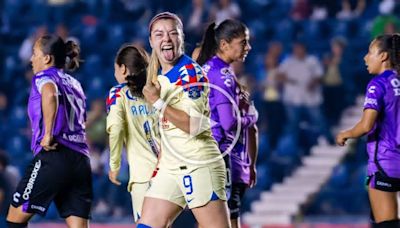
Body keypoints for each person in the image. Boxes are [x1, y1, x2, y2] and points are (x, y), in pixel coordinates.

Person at [137, 12, 230, 228]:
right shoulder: (161, 75)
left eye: (172, 33)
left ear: (181, 38)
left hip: (197, 164)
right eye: (159, 34)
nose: (166, 39)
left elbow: (194, 125)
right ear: (151, 41)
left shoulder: (190, 74)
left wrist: (158, 102)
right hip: (171, 166)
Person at [6, 34, 92, 228]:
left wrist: (47, 134)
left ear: (47, 58)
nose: (30, 59)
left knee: (14, 217)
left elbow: (50, 92)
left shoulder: (44, 77)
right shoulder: (75, 84)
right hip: (81, 159)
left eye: (34, 53)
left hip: (55, 155)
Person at [196, 19, 258, 228]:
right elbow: (229, 123)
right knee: (228, 218)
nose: (248, 47)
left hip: (203, 149)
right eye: (243, 42)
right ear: (224, 44)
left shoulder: (206, 68)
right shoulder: (223, 76)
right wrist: (252, 117)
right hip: (221, 152)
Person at [336, 34, 400, 227]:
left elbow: (366, 125)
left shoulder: (377, 84)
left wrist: (345, 134)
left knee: (387, 225)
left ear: (383, 56)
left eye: (370, 52)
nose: (365, 57)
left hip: (386, 162)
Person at [106, 44, 159, 222]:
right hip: (171, 172)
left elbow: (116, 129)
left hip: (144, 176)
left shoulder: (118, 94)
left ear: (123, 69)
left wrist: (114, 165)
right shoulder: (159, 90)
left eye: (115, 69)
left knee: (146, 224)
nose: (115, 74)